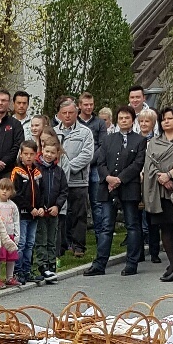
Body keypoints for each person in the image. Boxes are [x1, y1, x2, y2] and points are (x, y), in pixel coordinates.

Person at [87, 105, 145, 277]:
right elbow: (100, 161)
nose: (124, 121)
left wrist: (120, 179)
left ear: (133, 120)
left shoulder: (139, 140)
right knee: (106, 226)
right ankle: (99, 264)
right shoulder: (108, 139)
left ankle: (132, 263)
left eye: (127, 118)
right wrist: (108, 178)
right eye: (121, 118)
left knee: (132, 225)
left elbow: (138, 164)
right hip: (108, 187)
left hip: (129, 187)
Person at [142, 106, 173, 282]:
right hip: (159, 190)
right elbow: (149, 164)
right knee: (166, 229)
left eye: (170, 118)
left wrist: (171, 176)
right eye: (163, 119)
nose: (166, 122)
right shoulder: (154, 141)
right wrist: (161, 177)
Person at [55, 97, 94, 257]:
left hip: (78, 180)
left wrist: (67, 167)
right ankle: (62, 245)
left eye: (70, 112)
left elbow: (87, 154)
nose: (67, 116)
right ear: (59, 114)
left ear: (76, 113)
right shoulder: (53, 132)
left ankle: (78, 246)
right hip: (59, 181)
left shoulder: (85, 132)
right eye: (64, 113)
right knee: (61, 215)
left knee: (79, 214)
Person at [32, 135, 67, 285]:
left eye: (53, 152)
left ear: (57, 154)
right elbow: (35, 190)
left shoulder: (59, 171)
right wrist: (39, 206)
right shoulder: (36, 169)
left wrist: (58, 206)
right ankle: (42, 265)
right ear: (42, 150)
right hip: (41, 211)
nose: (49, 155)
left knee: (52, 239)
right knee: (41, 239)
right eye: (47, 151)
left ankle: (52, 264)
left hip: (53, 211)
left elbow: (64, 191)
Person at [10, 139, 39, 284]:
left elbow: (41, 192)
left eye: (31, 154)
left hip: (34, 215)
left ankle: (27, 270)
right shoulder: (17, 172)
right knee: (20, 243)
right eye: (25, 154)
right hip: (22, 214)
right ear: (20, 155)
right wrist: (30, 208)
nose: (28, 157)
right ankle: (17, 271)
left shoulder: (37, 172)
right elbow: (16, 194)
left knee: (30, 243)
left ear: (36, 155)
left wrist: (40, 207)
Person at [79, 91, 105, 241]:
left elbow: (102, 145)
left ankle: (100, 236)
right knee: (79, 204)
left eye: (91, 104)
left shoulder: (99, 123)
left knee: (96, 202)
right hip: (78, 168)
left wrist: (89, 160)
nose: (89, 107)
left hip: (94, 167)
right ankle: (77, 238)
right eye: (86, 104)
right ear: (80, 105)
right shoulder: (75, 122)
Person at [137, 108, 160, 262]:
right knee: (137, 218)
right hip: (137, 181)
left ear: (153, 123)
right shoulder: (135, 139)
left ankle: (154, 252)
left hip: (151, 181)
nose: (144, 124)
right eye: (141, 121)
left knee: (152, 219)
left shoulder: (157, 140)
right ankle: (138, 252)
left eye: (147, 121)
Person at [0, 177, 21, 287]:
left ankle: (10, 277)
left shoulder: (13, 205)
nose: (4, 192)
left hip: (10, 235)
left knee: (11, 257)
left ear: (11, 192)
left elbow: (16, 220)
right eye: (2, 189)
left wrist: (17, 235)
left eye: (7, 190)